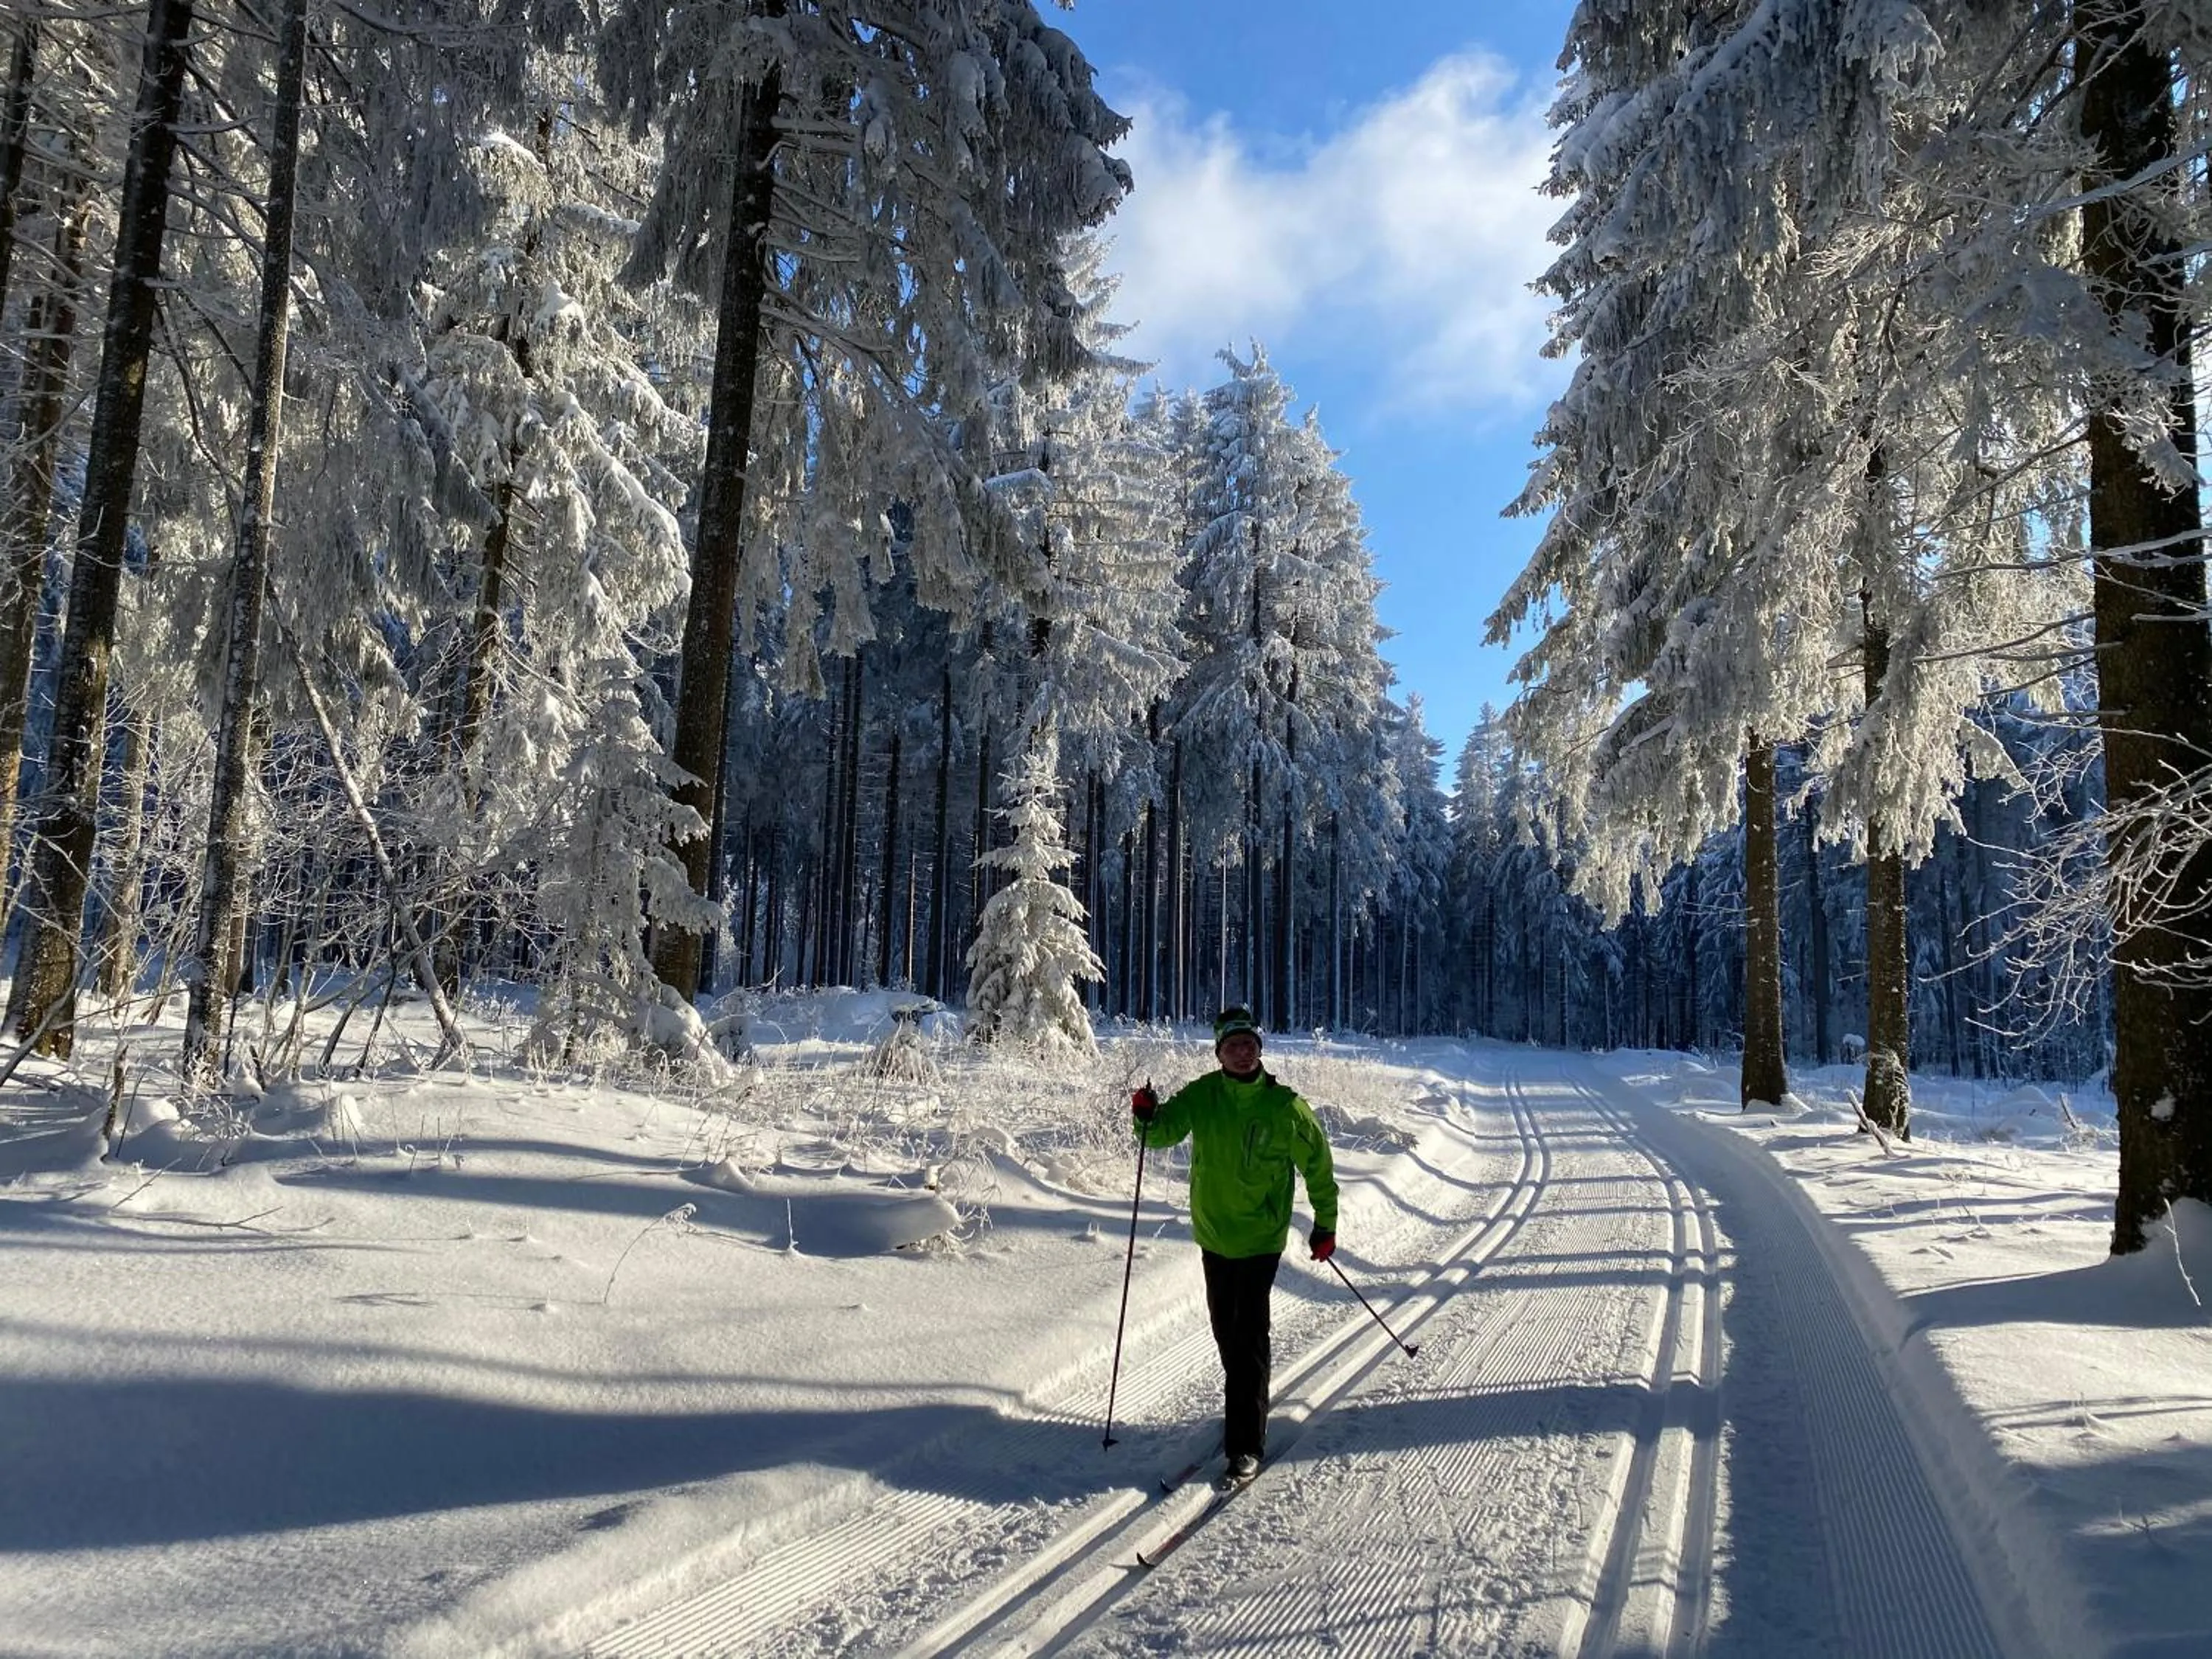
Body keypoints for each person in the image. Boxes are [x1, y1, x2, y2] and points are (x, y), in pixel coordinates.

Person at [1132, 1005, 1338, 1482]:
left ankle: (1245, 1444)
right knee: (1227, 1333)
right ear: (1220, 1053)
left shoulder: (1285, 1107)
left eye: (1249, 1045)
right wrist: (1145, 1115)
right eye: (1233, 1047)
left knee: (1248, 1338)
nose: (1243, 1053)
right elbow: (1161, 1135)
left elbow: (1319, 1167)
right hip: (1214, 1235)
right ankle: (1245, 1403)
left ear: (1259, 1050)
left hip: (1261, 1239)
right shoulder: (1203, 1095)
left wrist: (1325, 1225)